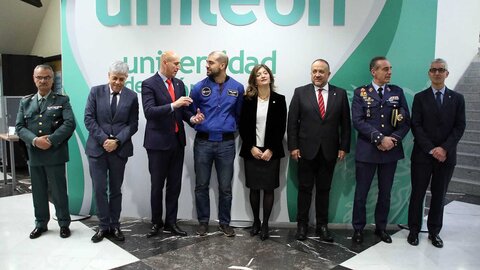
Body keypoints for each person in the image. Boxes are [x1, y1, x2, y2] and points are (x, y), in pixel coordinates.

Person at [287, 59, 351, 241]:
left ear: (328, 74)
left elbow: (346, 123)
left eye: (321, 71)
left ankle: (322, 226)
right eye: (314, 71)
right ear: (311, 73)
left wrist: (344, 147)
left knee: (324, 190)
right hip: (305, 151)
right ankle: (302, 225)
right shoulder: (300, 93)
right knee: (304, 189)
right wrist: (293, 146)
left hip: (330, 151)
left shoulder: (340, 94)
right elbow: (292, 123)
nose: (317, 74)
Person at [142, 51, 204, 238]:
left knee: (174, 186)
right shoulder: (148, 84)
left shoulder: (179, 84)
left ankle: (171, 222)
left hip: (177, 143)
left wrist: (193, 118)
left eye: (179, 64)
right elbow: (149, 112)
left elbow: (183, 112)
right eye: (175, 63)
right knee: (157, 186)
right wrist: (173, 105)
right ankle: (156, 223)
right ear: (164, 62)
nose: (178, 67)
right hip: (157, 144)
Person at [351, 56, 410, 244]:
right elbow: (358, 121)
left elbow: (405, 120)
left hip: (390, 151)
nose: (389, 72)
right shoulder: (361, 92)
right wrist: (379, 138)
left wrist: (392, 140)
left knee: (385, 193)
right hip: (368, 150)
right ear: (373, 71)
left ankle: (381, 228)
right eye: (385, 69)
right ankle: (358, 229)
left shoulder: (397, 92)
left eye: (390, 68)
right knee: (361, 193)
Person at [407, 58, 466, 248]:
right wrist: (432, 149)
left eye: (441, 70)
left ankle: (434, 232)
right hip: (423, 155)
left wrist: (444, 148)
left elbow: (459, 126)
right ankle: (414, 230)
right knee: (417, 194)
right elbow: (415, 125)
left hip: (446, 157)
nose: (437, 73)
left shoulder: (457, 98)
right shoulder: (420, 97)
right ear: (429, 73)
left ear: (447, 74)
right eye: (433, 70)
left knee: (439, 195)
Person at [15, 64, 76, 239]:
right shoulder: (25, 101)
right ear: (34, 79)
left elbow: (69, 124)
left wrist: (50, 140)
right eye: (39, 77)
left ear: (52, 79)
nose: (43, 81)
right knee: (38, 192)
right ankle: (41, 224)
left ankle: (64, 223)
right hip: (34, 154)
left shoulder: (62, 100)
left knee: (59, 191)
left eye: (47, 77)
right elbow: (19, 127)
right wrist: (35, 141)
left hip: (55, 153)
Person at [190, 51, 244, 237]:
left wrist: (227, 126)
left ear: (222, 65)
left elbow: (239, 114)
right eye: (207, 62)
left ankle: (225, 223)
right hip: (203, 143)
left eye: (210, 62)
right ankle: (203, 222)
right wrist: (195, 119)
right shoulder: (198, 88)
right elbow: (190, 113)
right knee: (201, 185)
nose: (206, 65)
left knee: (225, 187)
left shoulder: (237, 87)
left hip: (226, 144)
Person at [84, 61, 139, 243]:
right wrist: (104, 140)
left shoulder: (132, 97)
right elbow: (89, 118)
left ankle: (115, 225)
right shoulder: (95, 92)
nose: (117, 82)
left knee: (116, 190)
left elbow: (133, 125)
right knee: (99, 189)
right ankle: (103, 226)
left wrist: (117, 141)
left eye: (121, 79)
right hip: (97, 149)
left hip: (119, 150)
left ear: (126, 79)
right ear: (109, 76)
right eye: (114, 78)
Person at [239, 64, 287, 241]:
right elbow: (243, 125)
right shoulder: (247, 100)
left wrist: (271, 149)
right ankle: (256, 222)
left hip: (270, 152)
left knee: (268, 189)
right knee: (253, 188)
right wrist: (251, 146)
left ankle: (266, 223)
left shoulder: (279, 99)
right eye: (258, 74)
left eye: (265, 73)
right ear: (254, 80)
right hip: (251, 151)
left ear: (270, 77)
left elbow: (281, 127)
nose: (263, 76)